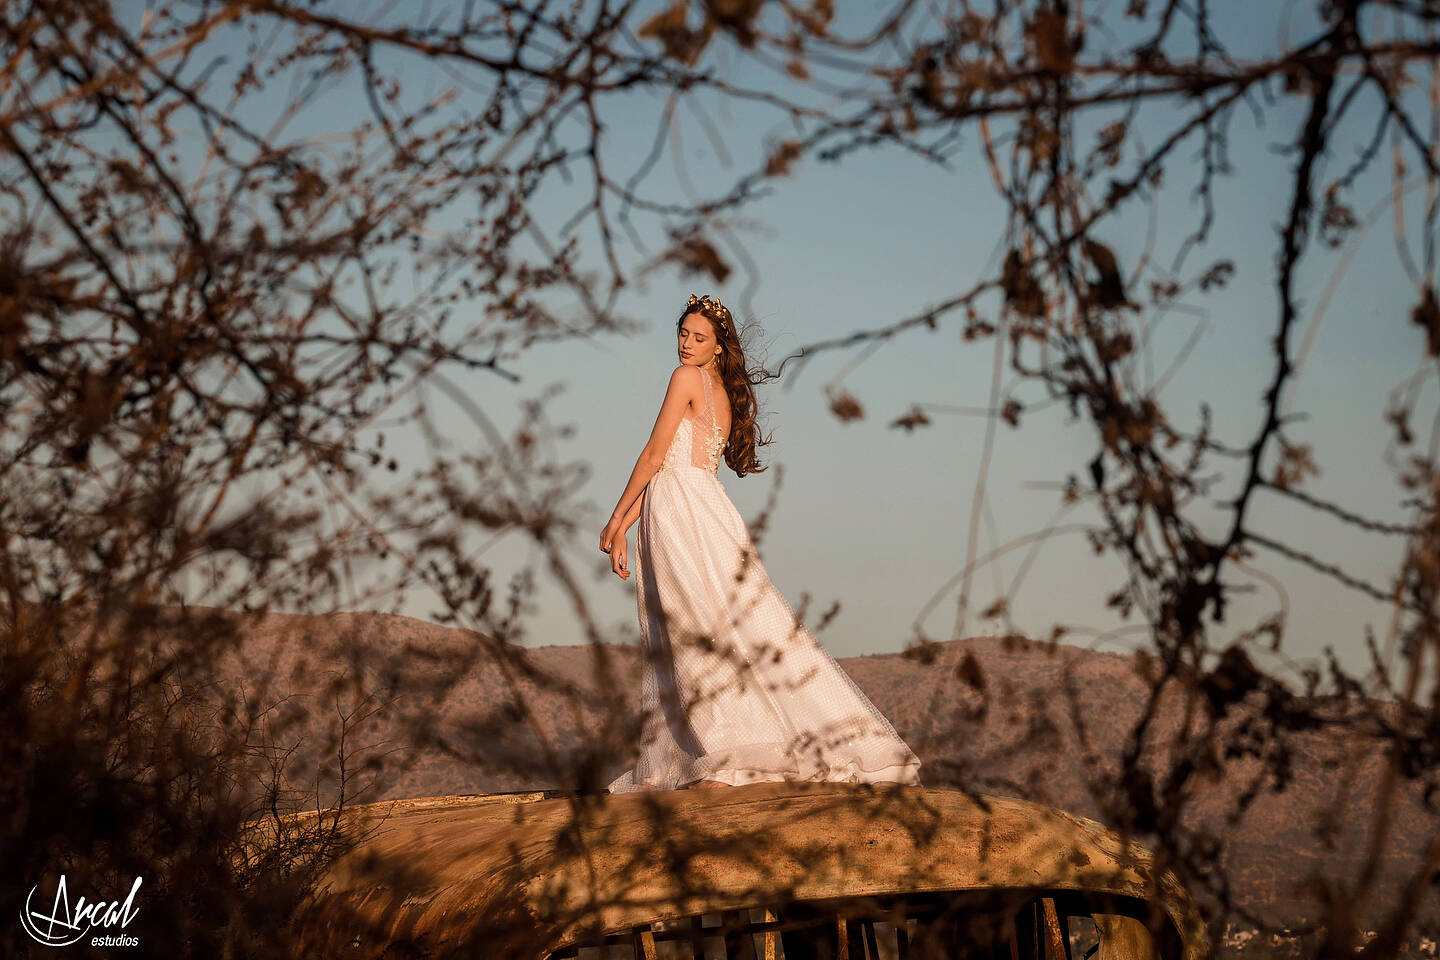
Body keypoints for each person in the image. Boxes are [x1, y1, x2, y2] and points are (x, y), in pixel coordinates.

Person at [598, 293, 923, 792]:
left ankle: (727, 753)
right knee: (726, 628)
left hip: (683, 514)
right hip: (703, 506)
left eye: (698, 337)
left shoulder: (686, 380)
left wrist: (617, 519)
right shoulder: (722, 393)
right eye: (682, 334)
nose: (686, 344)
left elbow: (654, 455)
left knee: (694, 628)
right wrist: (628, 520)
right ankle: (725, 749)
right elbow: (671, 469)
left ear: (717, 346)